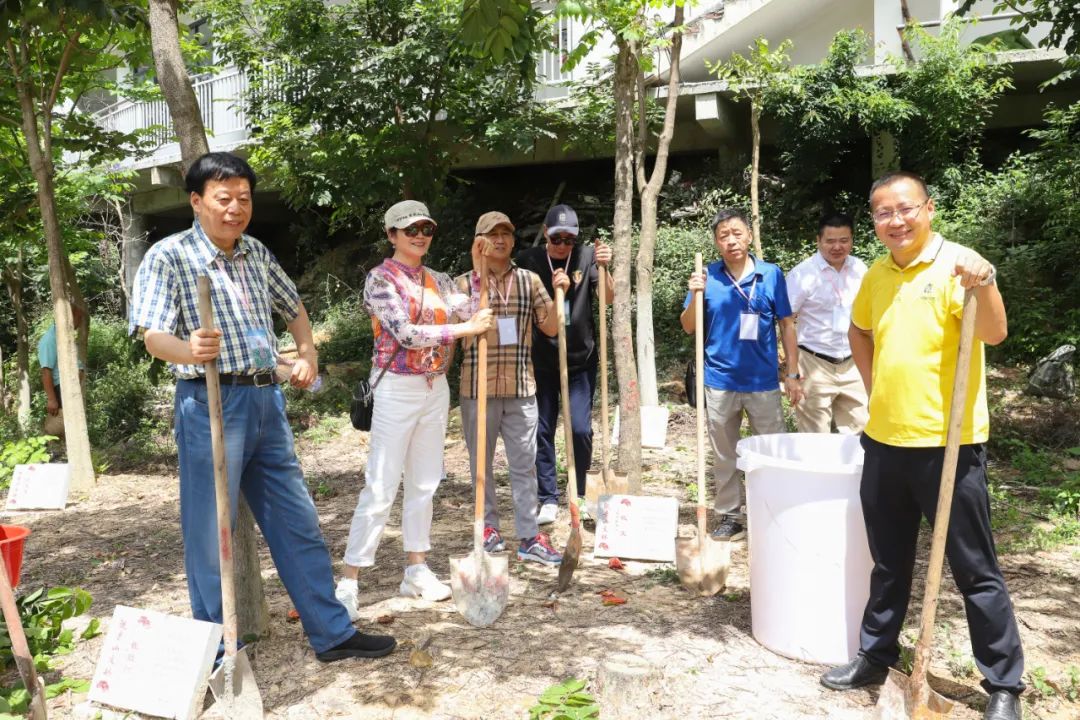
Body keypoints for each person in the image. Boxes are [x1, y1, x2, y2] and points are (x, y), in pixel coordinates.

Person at [129, 151, 395, 663]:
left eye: (243, 199)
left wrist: (309, 351)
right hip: (209, 402)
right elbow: (154, 336)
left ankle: (332, 632)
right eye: (223, 198)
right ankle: (217, 649)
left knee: (296, 519)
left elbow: (292, 305)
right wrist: (190, 350)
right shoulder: (169, 256)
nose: (235, 208)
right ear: (196, 201)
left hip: (265, 401)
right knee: (211, 531)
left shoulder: (255, 252)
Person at [820, 171, 1023, 720]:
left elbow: (996, 334)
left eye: (905, 209)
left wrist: (984, 283)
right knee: (889, 561)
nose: (896, 221)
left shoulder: (960, 264)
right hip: (884, 441)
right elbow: (858, 331)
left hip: (949, 446)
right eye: (883, 213)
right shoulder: (877, 275)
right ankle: (875, 653)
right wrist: (873, 385)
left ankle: (1003, 684)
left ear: (928, 209)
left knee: (974, 567)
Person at [335, 201, 495, 616]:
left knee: (425, 481)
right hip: (395, 388)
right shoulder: (380, 280)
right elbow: (404, 333)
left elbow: (475, 309)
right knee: (381, 484)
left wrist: (478, 270)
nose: (419, 235)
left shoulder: (438, 278)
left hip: (434, 386)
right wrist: (463, 329)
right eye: (409, 230)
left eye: (425, 228)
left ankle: (416, 569)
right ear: (391, 235)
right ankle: (350, 579)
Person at [680, 208, 803, 541]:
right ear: (716, 242)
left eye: (737, 233)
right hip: (719, 380)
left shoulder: (771, 274)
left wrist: (792, 372)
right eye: (723, 235)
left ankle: (775, 510)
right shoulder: (706, 277)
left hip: (762, 381)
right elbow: (689, 327)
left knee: (771, 449)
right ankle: (730, 517)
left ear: (749, 235)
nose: (731, 240)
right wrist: (694, 293)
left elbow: (787, 324)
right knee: (725, 454)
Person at [455, 211, 568, 564]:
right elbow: (460, 326)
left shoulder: (530, 280)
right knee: (481, 465)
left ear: (513, 240)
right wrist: (479, 274)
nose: (500, 240)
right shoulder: (463, 285)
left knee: (524, 464)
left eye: (506, 233)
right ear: (479, 240)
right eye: (492, 234)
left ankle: (529, 536)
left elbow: (550, 328)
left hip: (521, 387)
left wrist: (560, 294)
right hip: (478, 389)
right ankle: (486, 528)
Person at [516, 204, 613, 525]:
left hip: (580, 360)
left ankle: (582, 492)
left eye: (568, 239)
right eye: (556, 238)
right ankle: (547, 497)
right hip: (541, 359)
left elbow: (608, 298)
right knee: (542, 428)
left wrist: (606, 268)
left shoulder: (587, 257)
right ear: (545, 232)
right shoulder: (529, 261)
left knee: (581, 428)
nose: (562, 245)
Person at [784, 213, 868, 434]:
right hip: (814, 362)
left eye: (844, 240)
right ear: (818, 241)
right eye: (830, 241)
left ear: (852, 240)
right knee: (815, 435)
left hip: (853, 361)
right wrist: (792, 373)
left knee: (860, 430)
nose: (837, 246)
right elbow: (786, 321)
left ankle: (853, 471)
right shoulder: (802, 274)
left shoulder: (861, 270)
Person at [38, 304, 86, 438]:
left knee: (71, 429)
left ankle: (64, 455)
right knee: (58, 429)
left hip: (70, 388)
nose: (80, 321)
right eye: (79, 317)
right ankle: (51, 453)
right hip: (61, 390)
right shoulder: (50, 340)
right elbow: (46, 371)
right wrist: (52, 399)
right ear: (69, 317)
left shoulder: (66, 337)